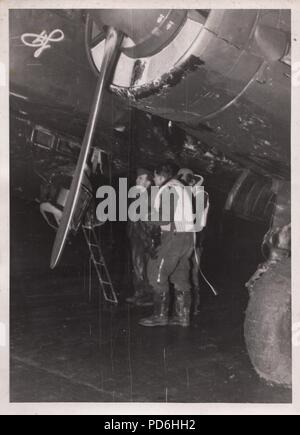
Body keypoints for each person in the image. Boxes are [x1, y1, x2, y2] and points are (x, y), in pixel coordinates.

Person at [139, 163, 195, 328]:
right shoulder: (181, 188)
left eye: (155, 176)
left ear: (160, 176)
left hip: (174, 237)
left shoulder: (168, 189)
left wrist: (146, 217)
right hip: (188, 238)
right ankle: (182, 317)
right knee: (180, 275)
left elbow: (165, 217)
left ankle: (160, 316)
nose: (154, 180)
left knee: (156, 271)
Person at [177, 168, 210, 314]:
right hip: (185, 239)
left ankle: (193, 307)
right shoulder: (190, 195)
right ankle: (185, 307)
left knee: (192, 273)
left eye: (183, 181)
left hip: (195, 241)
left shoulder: (201, 195)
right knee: (184, 273)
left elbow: (193, 218)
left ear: (191, 181)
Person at [126, 168, 156, 307]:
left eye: (141, 178)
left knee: (146, 266)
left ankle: (149, 295)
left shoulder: (151, 196)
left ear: (148, 182)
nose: (137, 180)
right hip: (136, 234)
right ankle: (139, 293)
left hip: (145, 236)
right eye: (137, 178)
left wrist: (148, 238)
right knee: (137, 265)